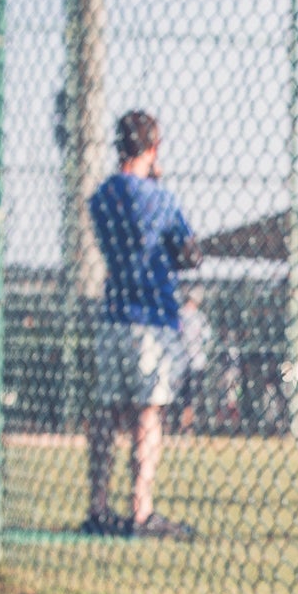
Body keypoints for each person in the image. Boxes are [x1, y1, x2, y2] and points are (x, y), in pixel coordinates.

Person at [84, 110, 200, 540]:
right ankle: (140, 509)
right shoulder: (160, 197)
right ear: (152, 148)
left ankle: (98, 505)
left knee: (108, 412)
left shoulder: (101, 196)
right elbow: (188, 253)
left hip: (114, 311)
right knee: (147, 414)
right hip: (152, 316)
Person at [174, 288, 210, 434]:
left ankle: (185, 425)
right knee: (188, 395)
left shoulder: (183, 316)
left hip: (185, 361)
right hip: (192, 360)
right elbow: (207, 337)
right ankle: (185, 425)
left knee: (187, 395)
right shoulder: (198, 317)